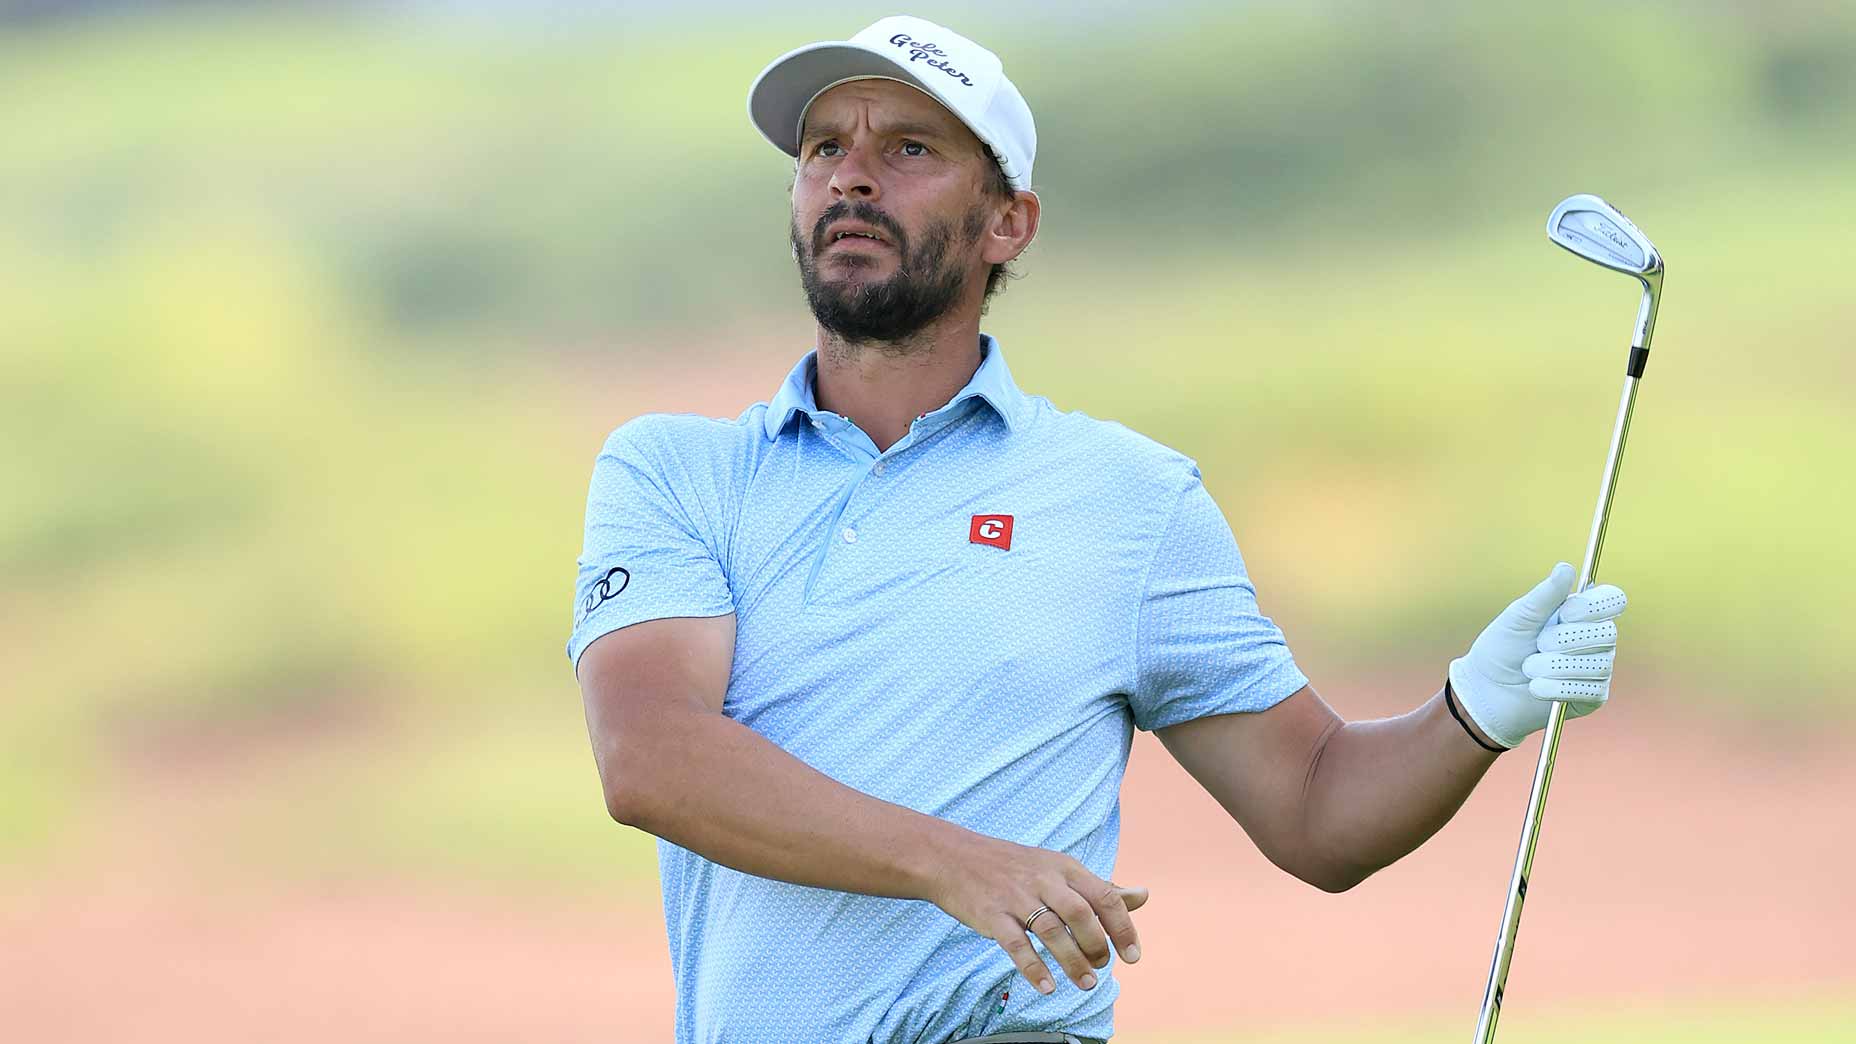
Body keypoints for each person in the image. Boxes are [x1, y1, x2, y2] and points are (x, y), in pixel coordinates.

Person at [566, 15, 1628, 1044]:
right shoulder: (674, 469)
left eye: (908, 148)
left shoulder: (1128, 499)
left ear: (1007, 222)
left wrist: (1473, 709)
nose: (849, 175)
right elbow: (651, 756)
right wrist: (958, 863)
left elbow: (1315, 811)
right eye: (823, 148)